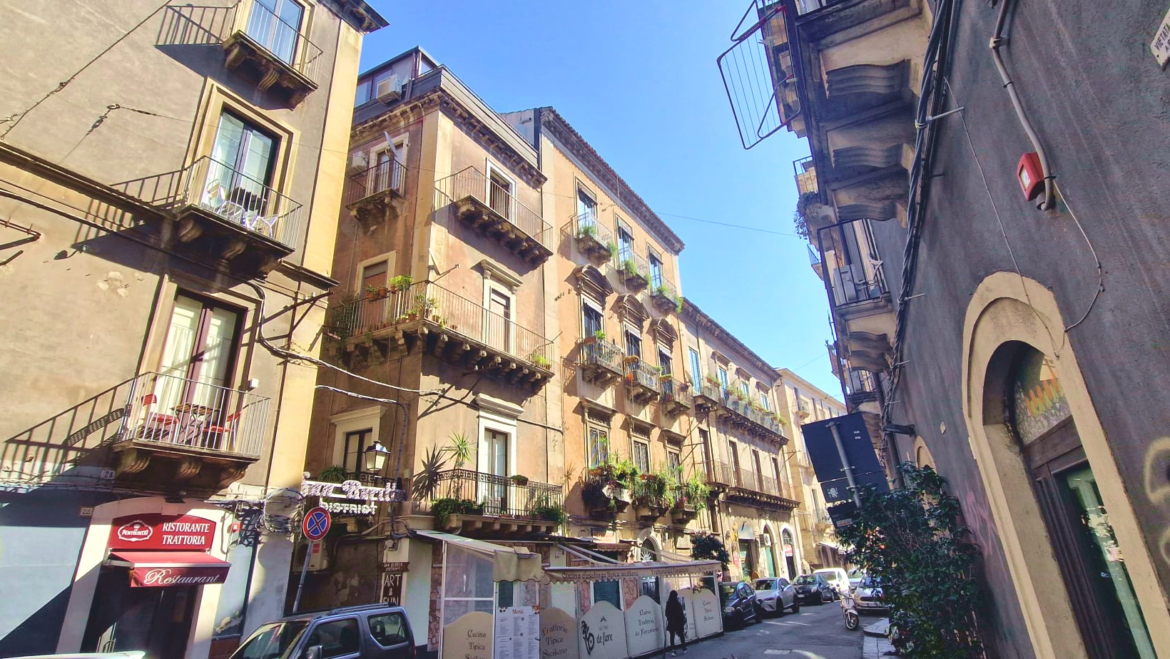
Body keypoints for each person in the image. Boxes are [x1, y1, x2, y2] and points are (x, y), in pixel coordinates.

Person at [665, 590, 687, 656]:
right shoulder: (677, 604)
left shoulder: (668, 603)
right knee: (681, 635)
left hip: (671, 622)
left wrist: (670, 618)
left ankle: (673, 650)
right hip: (678, 622)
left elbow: (666, 613)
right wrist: (682, 621)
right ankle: (684, 648)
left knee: (672, 637)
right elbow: (681, 613)